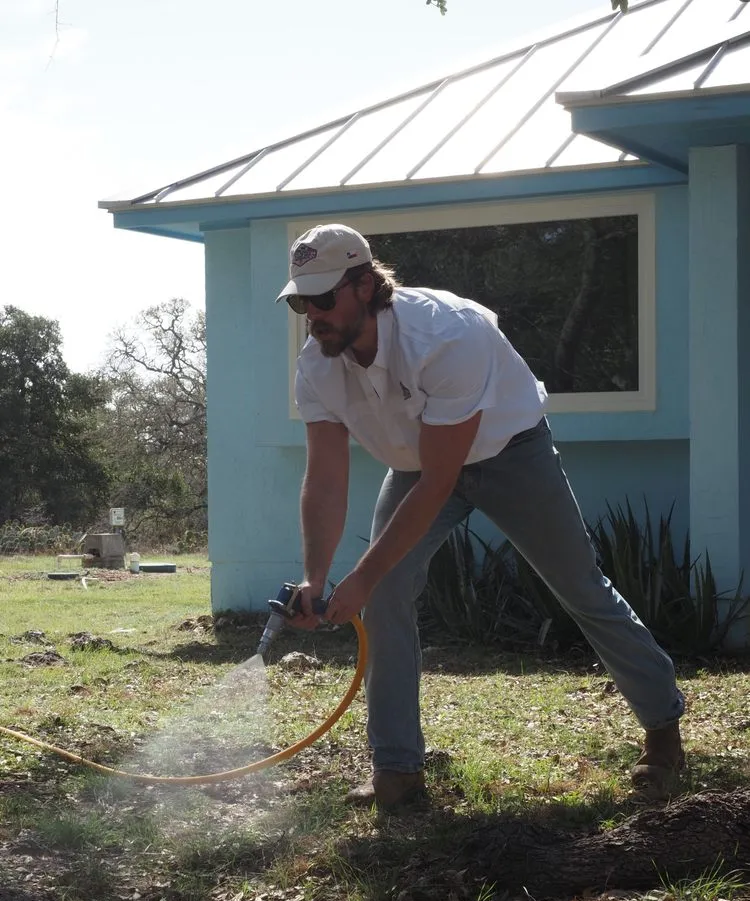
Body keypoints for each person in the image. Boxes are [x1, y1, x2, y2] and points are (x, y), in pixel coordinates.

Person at [276, 222, 685, 809]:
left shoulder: (445, 336)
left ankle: (664, 730)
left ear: (364, 285)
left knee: (581, 590)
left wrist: (361, 578)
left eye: (322, 298)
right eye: (299, 302)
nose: (311, 315)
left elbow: (444, 481)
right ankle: (397, 772)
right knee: (388, 596)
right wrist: (318, 578)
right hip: (418, 464)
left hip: (509, 451)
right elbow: (325, 478)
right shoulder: (318, 364)